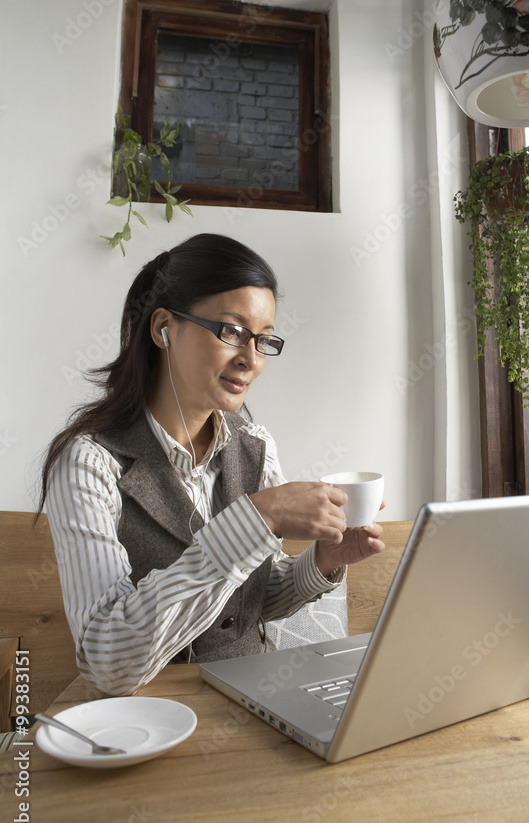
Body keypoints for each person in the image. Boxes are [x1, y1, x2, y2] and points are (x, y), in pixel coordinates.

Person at [38, 234, 384, 696]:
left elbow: (254, 600)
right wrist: (257, 518)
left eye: (263, 340)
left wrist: (322, 562)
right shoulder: (90, 462)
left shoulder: (255, 447)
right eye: (232, 331)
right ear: (163, 327)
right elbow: (108, 659)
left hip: (255, 699)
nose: (251, 358)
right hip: (148, 717)